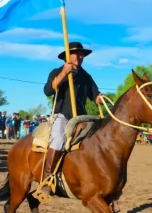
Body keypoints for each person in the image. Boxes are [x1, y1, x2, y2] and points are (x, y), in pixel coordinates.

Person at [40, 42, 103, 197]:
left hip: (81, 116)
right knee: (58, 139)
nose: (80, 57)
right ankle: (47, 179)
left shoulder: (86, 76)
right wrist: (64, 73)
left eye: (82, 54)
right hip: (62, 114)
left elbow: (94, 94)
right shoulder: (56, 71)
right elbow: (47, 91)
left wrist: (99, 98)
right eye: (77, 54)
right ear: (68, 56)